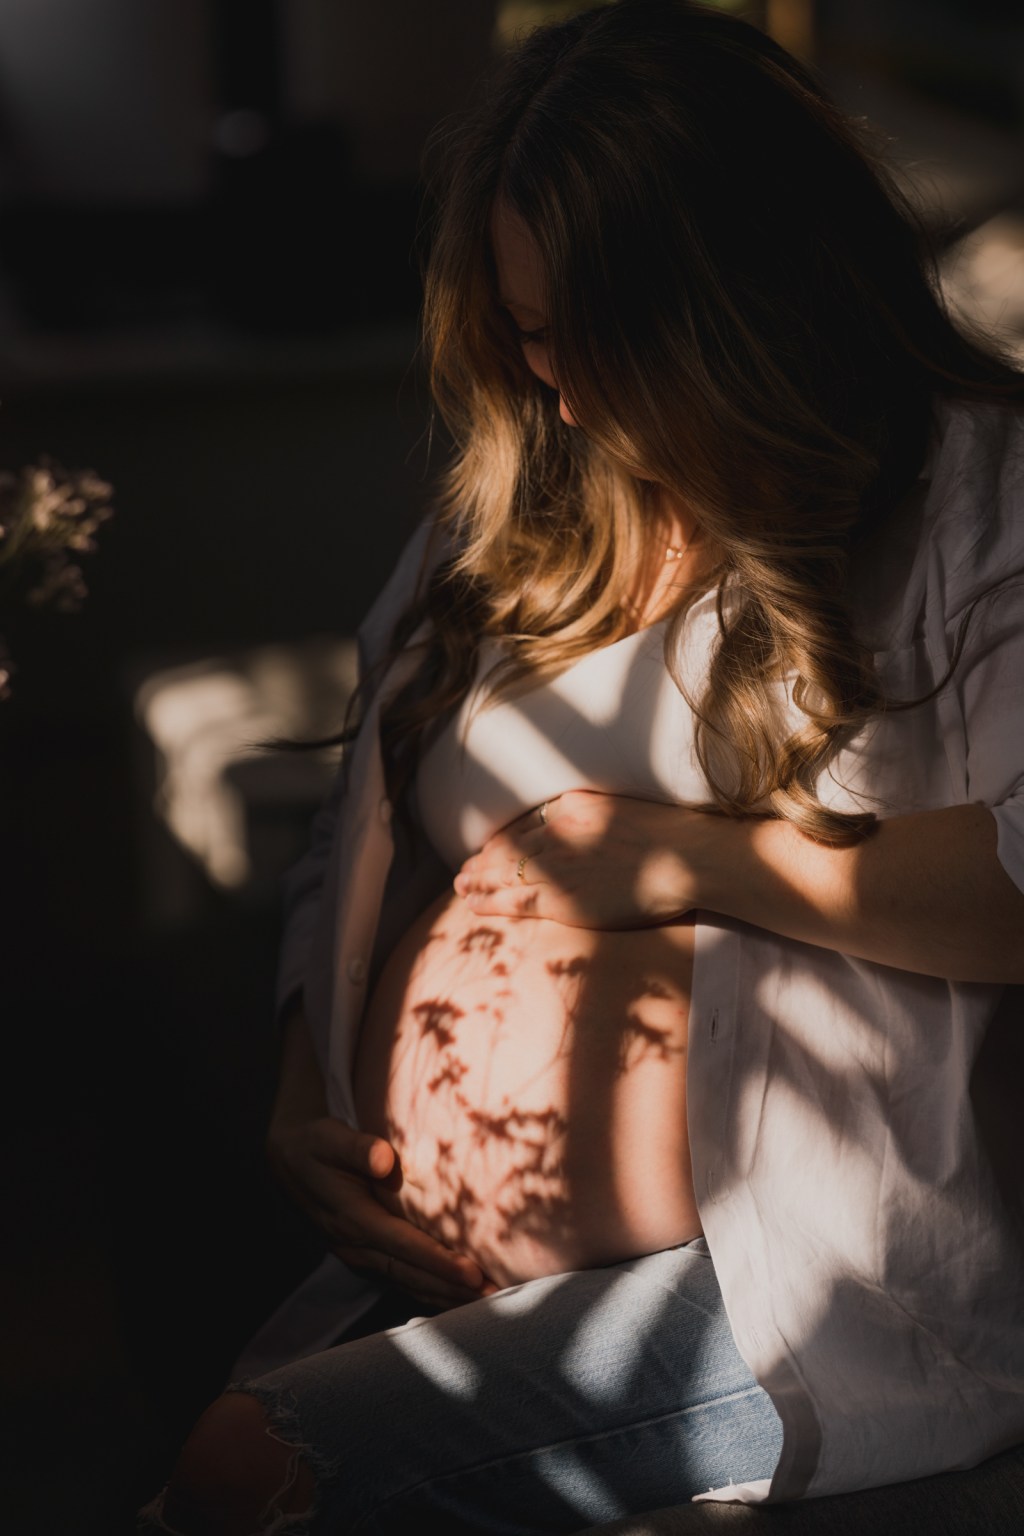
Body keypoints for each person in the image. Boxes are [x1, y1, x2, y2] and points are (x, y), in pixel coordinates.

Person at [138, 2, 1024, 1531]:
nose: (561, 389)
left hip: (791, 1284)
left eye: (601, 335)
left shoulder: (971, 492)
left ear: (744, 299)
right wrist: (307, 1095)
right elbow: (347, 854)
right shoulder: (510, 530)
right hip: (444, 1249)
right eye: (529, 330)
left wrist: (682, 856)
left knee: (248, 1473)